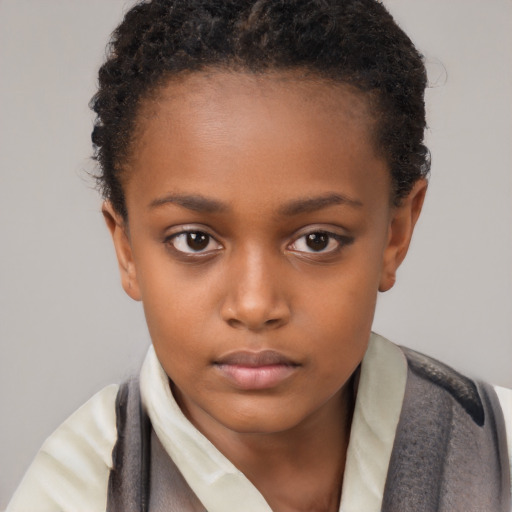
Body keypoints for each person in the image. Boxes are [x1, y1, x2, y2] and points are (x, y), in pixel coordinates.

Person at [6, 0, 511, 511]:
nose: (254, 304)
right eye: (195, 240)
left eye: (317, 240)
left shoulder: (498, 458)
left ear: (395, 234)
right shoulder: (77, 492)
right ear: (127, 248)